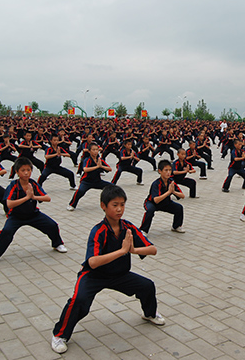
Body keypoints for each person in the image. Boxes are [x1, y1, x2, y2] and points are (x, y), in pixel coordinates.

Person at [51, 185, 163, 354]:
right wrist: (122, 252)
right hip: (93, 275)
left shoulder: (128, 228)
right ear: (103, 206)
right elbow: (93, 262)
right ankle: (59, 335)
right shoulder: (98, 231)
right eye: (115, 205)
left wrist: (134, 250)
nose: (119, 209)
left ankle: (150, 314)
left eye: (122, 205)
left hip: (119, 274)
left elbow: (152, 249)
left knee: (147, 286)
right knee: (78, 301)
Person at [0, 157, 67, 265]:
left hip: (33, 214)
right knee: (6, 232)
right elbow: (9, 204)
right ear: (17, 172)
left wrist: (33, 197)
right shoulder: (13, 185)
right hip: (16, 216)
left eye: (28, 170)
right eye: (23, 170)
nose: (26, 173)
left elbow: (47, 198)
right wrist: (27, 198)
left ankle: (57, 244)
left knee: (52, 225)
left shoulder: (32, 184)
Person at [140, 160, 186, 234]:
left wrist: (173, 191)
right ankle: (143, 230)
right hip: (152, 203)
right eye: (166, 170)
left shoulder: (171, 182)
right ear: (160, 171)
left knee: (179, 208)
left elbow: (182, 196)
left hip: (165, 202)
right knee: (150, 211)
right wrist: (169, 192)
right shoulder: (156, 183)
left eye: (170, 170)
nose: (168, 172)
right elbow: (156, 200)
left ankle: (176, 226)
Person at [67, 143, 112, 211]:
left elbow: (109, 169)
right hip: (86, 181)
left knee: (112, 187)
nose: (95, 151)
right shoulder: (87, 160)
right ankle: (72, 205)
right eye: (93, 150)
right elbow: (85, 169)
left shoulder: (100, 160)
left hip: (97, 181)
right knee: (80, 191)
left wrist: (101, 166)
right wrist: (97, 166)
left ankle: (108, 203)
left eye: (97, 149)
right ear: (89, 151)